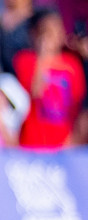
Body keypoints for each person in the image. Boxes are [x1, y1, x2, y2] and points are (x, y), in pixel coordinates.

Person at [12, 10, 86, 149]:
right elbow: (35, 92)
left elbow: (77, 106)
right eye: (46, 31)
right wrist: (43, 56)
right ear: (34, 34)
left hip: (65, 145)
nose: (52, 35)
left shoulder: (73, 64)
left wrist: (72, 140)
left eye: (57, 29)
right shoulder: (25, 60)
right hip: (32, 143)